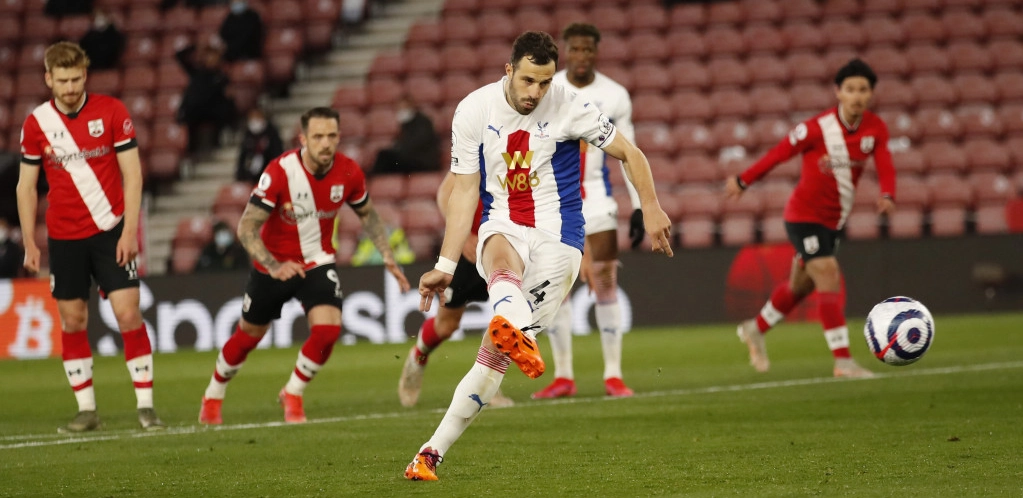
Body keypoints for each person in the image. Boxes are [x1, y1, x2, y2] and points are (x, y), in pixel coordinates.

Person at [405, 31, 674, 481]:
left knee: (491, 363)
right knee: (500, 261)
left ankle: (430, 451)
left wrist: (650, 206)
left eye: (545, 82)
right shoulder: (474, 109)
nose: (536, 92)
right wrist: (445, 265)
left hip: (559, 239)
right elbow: (464, 192)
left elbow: (630, 153)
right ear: (508, 70)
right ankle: (517, 326)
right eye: (528, 80)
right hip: (503, 223)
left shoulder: (569, 105)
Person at [198, 106, 411, 425]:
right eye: (318, 136)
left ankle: (293, 392)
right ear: (303, 139)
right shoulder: (280, 172)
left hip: (316, 261)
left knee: (328, 330)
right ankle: (213, 395)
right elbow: (246, 227)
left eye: (331, 136)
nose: (325, 143)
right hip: (273, 265)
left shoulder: (349, 171)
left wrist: (388, 256)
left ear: (339, 137)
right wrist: (273, 265)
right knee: (248, 336)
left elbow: (367, 214)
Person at [16, 41, 164, 432]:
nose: (70, 87)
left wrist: (129, 231)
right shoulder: (36, 123)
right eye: (62, 80)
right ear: (48, 79)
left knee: (128, 313)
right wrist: (29, 241)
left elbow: (133, 175)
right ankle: (86, 410)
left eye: (76, 79)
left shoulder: (112, 111)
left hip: (111, 230)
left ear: (85, 75)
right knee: (72, 320)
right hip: (64, 237)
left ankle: (146, 406)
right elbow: (26, 187)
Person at [726, 59, 896, 379]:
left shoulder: (875, 128)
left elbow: (885, 161)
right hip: (803, 216)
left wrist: (888, 194)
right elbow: (779, 153)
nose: (857, 96)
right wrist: (744, 180)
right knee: (828, 275)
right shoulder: (816, 128)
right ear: (838, 92)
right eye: (850, 89)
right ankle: (843, 362)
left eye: (863, 89)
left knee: (800, 286)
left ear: (871, 94)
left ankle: (755, 328)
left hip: (834, 222)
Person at [533, 23, 646, 400]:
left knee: (605, 279)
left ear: (596, 52)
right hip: (554, 199)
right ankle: (564, 375)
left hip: (597, 198)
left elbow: (630, 151)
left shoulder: (615, 95)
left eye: (587, 49)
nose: (581, 56)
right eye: (575, 49)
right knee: (556, 285)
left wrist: (639, 205)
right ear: (565, 51)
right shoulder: (548, 88)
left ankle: (613, 374)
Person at [397, 172, 514, 408]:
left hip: (506, 247)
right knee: (446, 326)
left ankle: (488, 383)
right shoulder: (479, 152)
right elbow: (444, 195)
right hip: (469, 251)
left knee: (508, 315)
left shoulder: (523, 155)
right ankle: (417, 357)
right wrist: (465, 235)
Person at [175, 42, 236, 157]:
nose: (211, 60)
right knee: (189, 114)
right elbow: (179, 56)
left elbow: (226, 95)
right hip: (196, 109)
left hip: (212, 110)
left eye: (214, 57)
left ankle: (218, 144)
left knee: (225, 107)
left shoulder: (221, 77)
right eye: (208, 56)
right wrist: (196, 45)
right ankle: (191, 153)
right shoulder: (196, 71)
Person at [370, 95, 440, 175]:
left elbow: (415, 143)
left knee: (384, 156)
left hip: (423, 162)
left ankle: (371, 177)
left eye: (404, 108)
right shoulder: (406, 125)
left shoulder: (423, 122)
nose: (401, 111)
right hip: (411, 160)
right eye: (399, 108)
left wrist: (398, 150)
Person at [235, 107, 284, 184]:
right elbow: (243, 156)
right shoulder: (248, 135)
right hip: (250, 175)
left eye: (257, 117)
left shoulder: (271, 133)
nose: (254, 121)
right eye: (252, 118)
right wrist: (241, 176)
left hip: (268, 174)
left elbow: (277, 153)